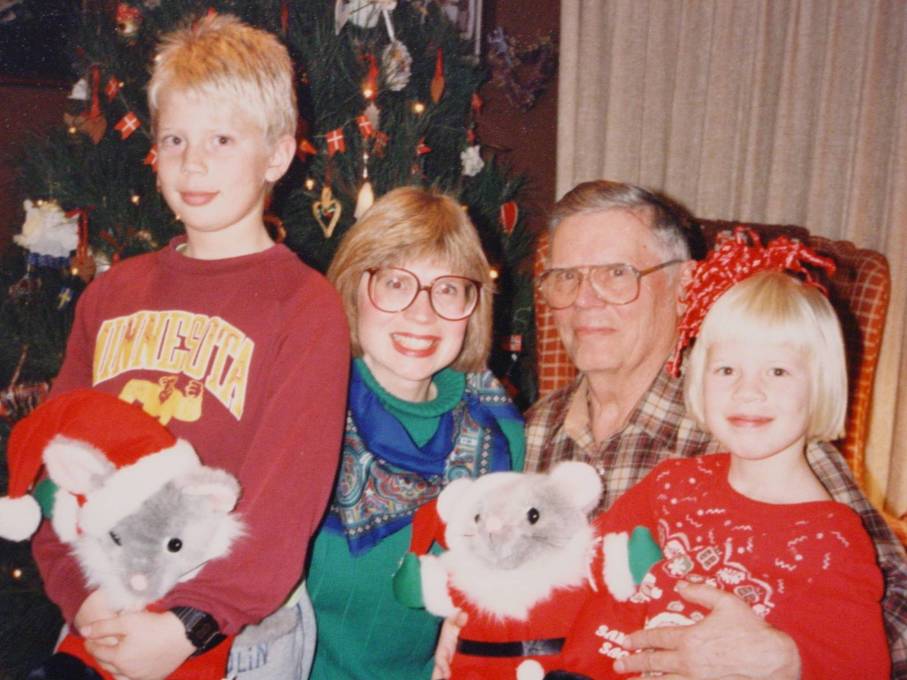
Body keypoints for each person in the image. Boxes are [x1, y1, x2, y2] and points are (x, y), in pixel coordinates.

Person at [31, 13, 350, 680]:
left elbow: (285, 501)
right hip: (106, 611)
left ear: (278, 154)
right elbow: (55, 459)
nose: (193, 162)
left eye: (222, 139)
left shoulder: (305, 307)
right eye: (174, 138)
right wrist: (79, 593)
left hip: (233, 633)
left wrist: (189, 625)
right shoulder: (111, 295)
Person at [524, 180, 907, 678]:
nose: (585, 300)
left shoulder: (753, 432)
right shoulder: (533, 430)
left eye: (617, 274)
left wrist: (784, 657)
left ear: (685, 285)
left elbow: (895, 611)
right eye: (566, 278)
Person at [306, 186, 525, 679]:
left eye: (448, 288)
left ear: (473, 306)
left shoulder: (501, 437)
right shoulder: (305, 409)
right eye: (395, 283)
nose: (422, 313)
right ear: (353, 288)